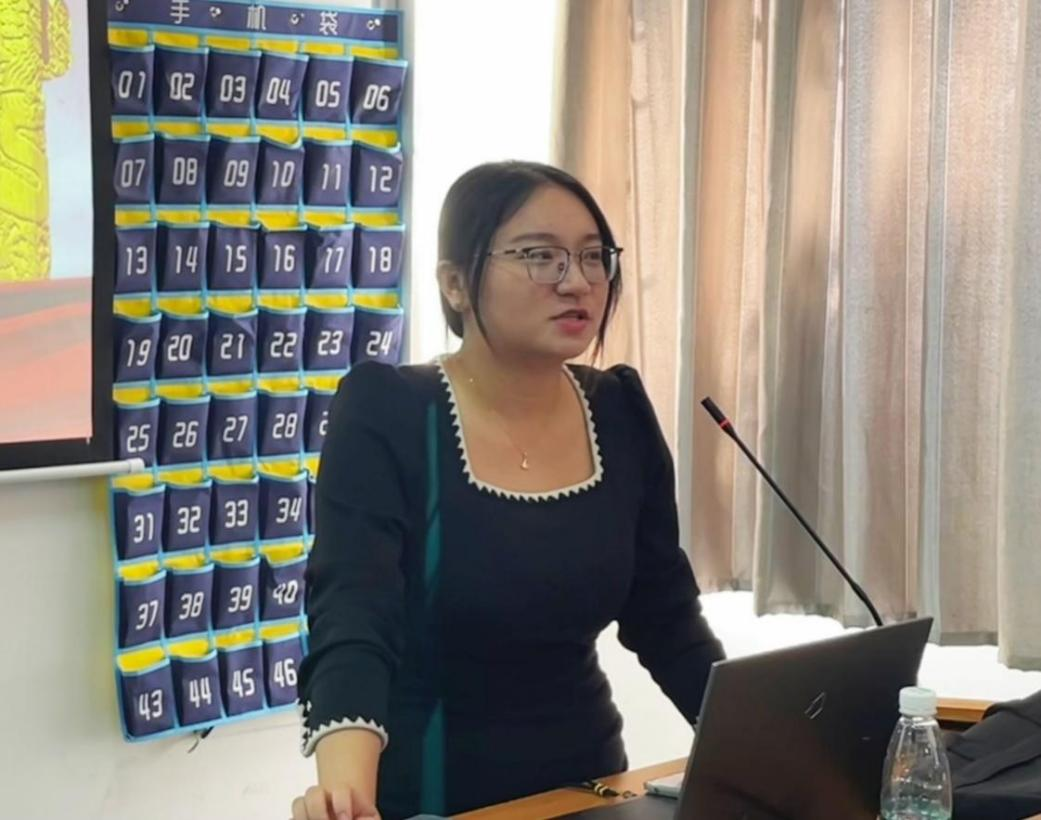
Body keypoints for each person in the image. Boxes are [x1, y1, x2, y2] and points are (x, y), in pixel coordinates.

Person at [290, 161, 725, 820]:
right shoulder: (389, 410)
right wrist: (345, 796)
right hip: (433, 795)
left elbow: (665, 618)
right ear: (455, 283)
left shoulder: (617, 409)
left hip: (586, 790)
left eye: (593, 257)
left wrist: (761, 750)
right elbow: (353, 617)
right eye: (540, 256)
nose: (576, 281)